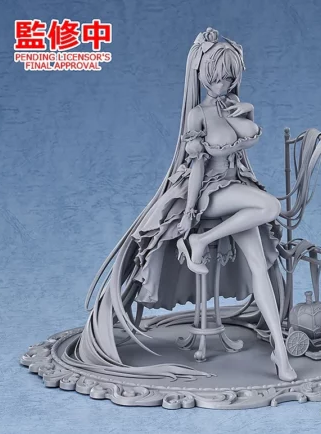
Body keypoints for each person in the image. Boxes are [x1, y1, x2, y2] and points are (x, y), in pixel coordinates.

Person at [72, 27, 297, 382]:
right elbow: (196, 169)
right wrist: (190, 213)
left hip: (238, 189)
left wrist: (248, 109)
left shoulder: (235, 107)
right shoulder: (198, 115)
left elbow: (246, 143)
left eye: (229, 78)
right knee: (269, 206)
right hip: (211, 192)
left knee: (259, 268)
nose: (222, 84)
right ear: (204, 76)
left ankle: (280, 354)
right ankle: (200, 239)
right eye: (216, 78)